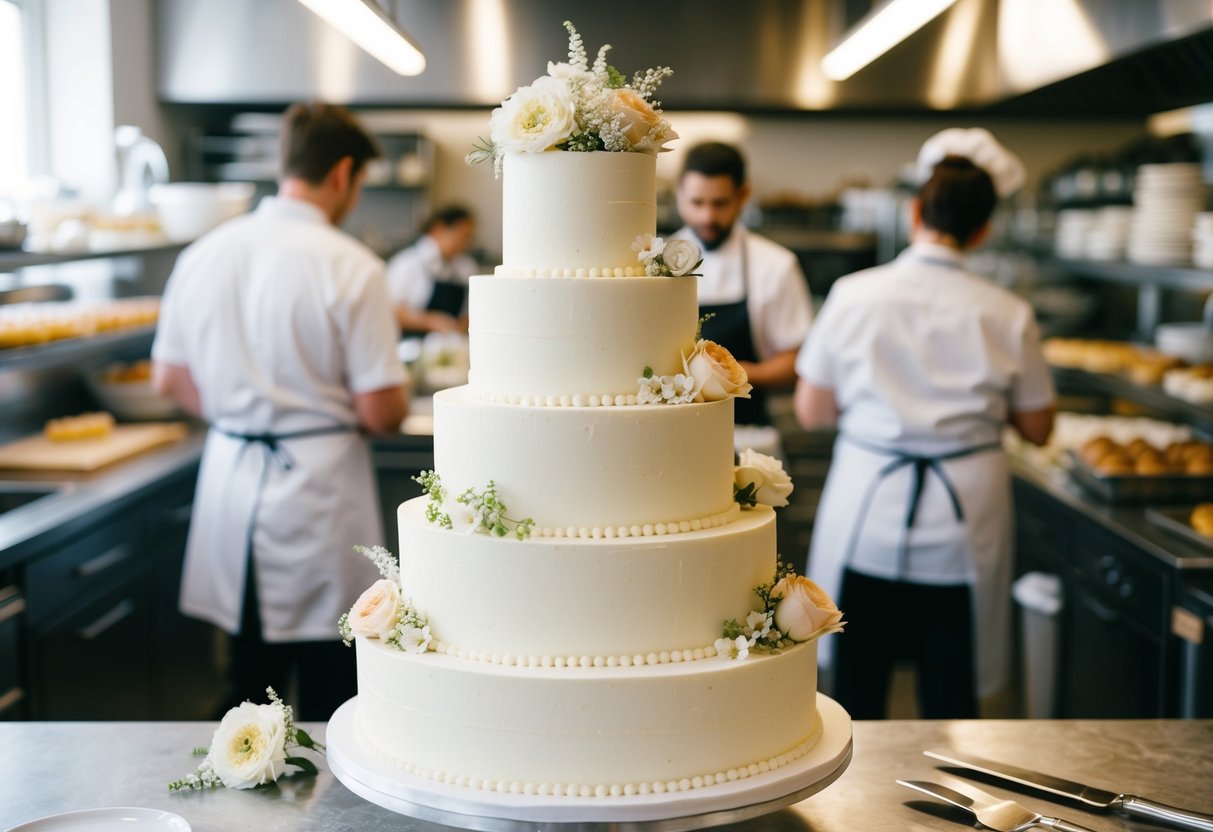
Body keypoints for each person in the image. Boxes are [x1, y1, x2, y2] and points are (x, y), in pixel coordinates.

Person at [151, 102, 409, 721]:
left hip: (233, 474)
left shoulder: (203, 254)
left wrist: (243, 413)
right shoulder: (353, 265)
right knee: (329, 687)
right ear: (343, 174)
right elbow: (382, 411)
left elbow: (169, 379)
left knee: (246, 684)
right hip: (318, 488)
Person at [793, 128, 1055, 720]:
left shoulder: (854, 294)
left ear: (915, 211)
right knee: (951, 700)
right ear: (984, 228)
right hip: (963, 524)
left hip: (868, 515)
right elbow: (1039, 428)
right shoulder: (1009, 312)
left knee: (853, 697)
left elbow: (813, 411)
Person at [673, 142, 813, 426]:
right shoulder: (655, 263)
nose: (707, 217)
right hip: (671, 426)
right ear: (679, 195)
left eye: (720, 203)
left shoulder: (776, 265)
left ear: (743, 195)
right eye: (697, 203)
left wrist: (732, 374)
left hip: (749, 428)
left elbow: (798, 361)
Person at [385, 205, 477, 334]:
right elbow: (389, 311)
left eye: (469, 237)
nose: (465, 242)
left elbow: (468, 314)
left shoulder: (466, 267)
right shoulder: (406, 263)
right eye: (462, 235)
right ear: (438, 228)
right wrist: (430, 322)